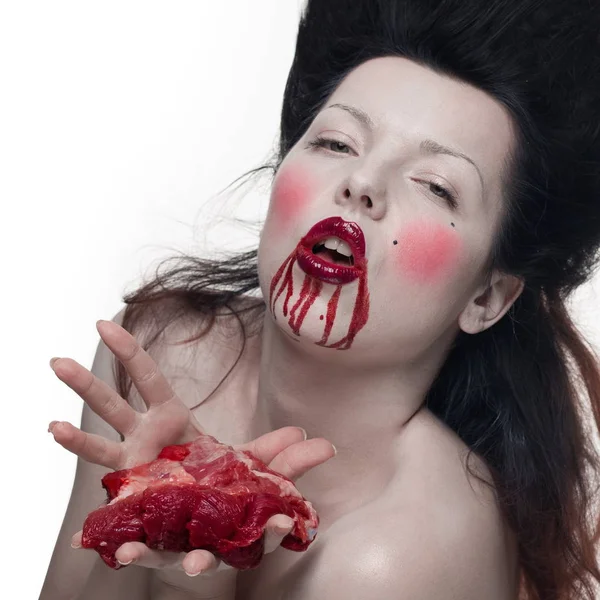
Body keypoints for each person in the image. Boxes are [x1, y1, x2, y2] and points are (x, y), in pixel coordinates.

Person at [40, 0, 600, 598]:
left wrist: (190, 584)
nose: (362, 183)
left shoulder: (402, 557)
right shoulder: (164, 355)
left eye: (436, 186)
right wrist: (148, 518)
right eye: (337, 143)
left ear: (486, 297)